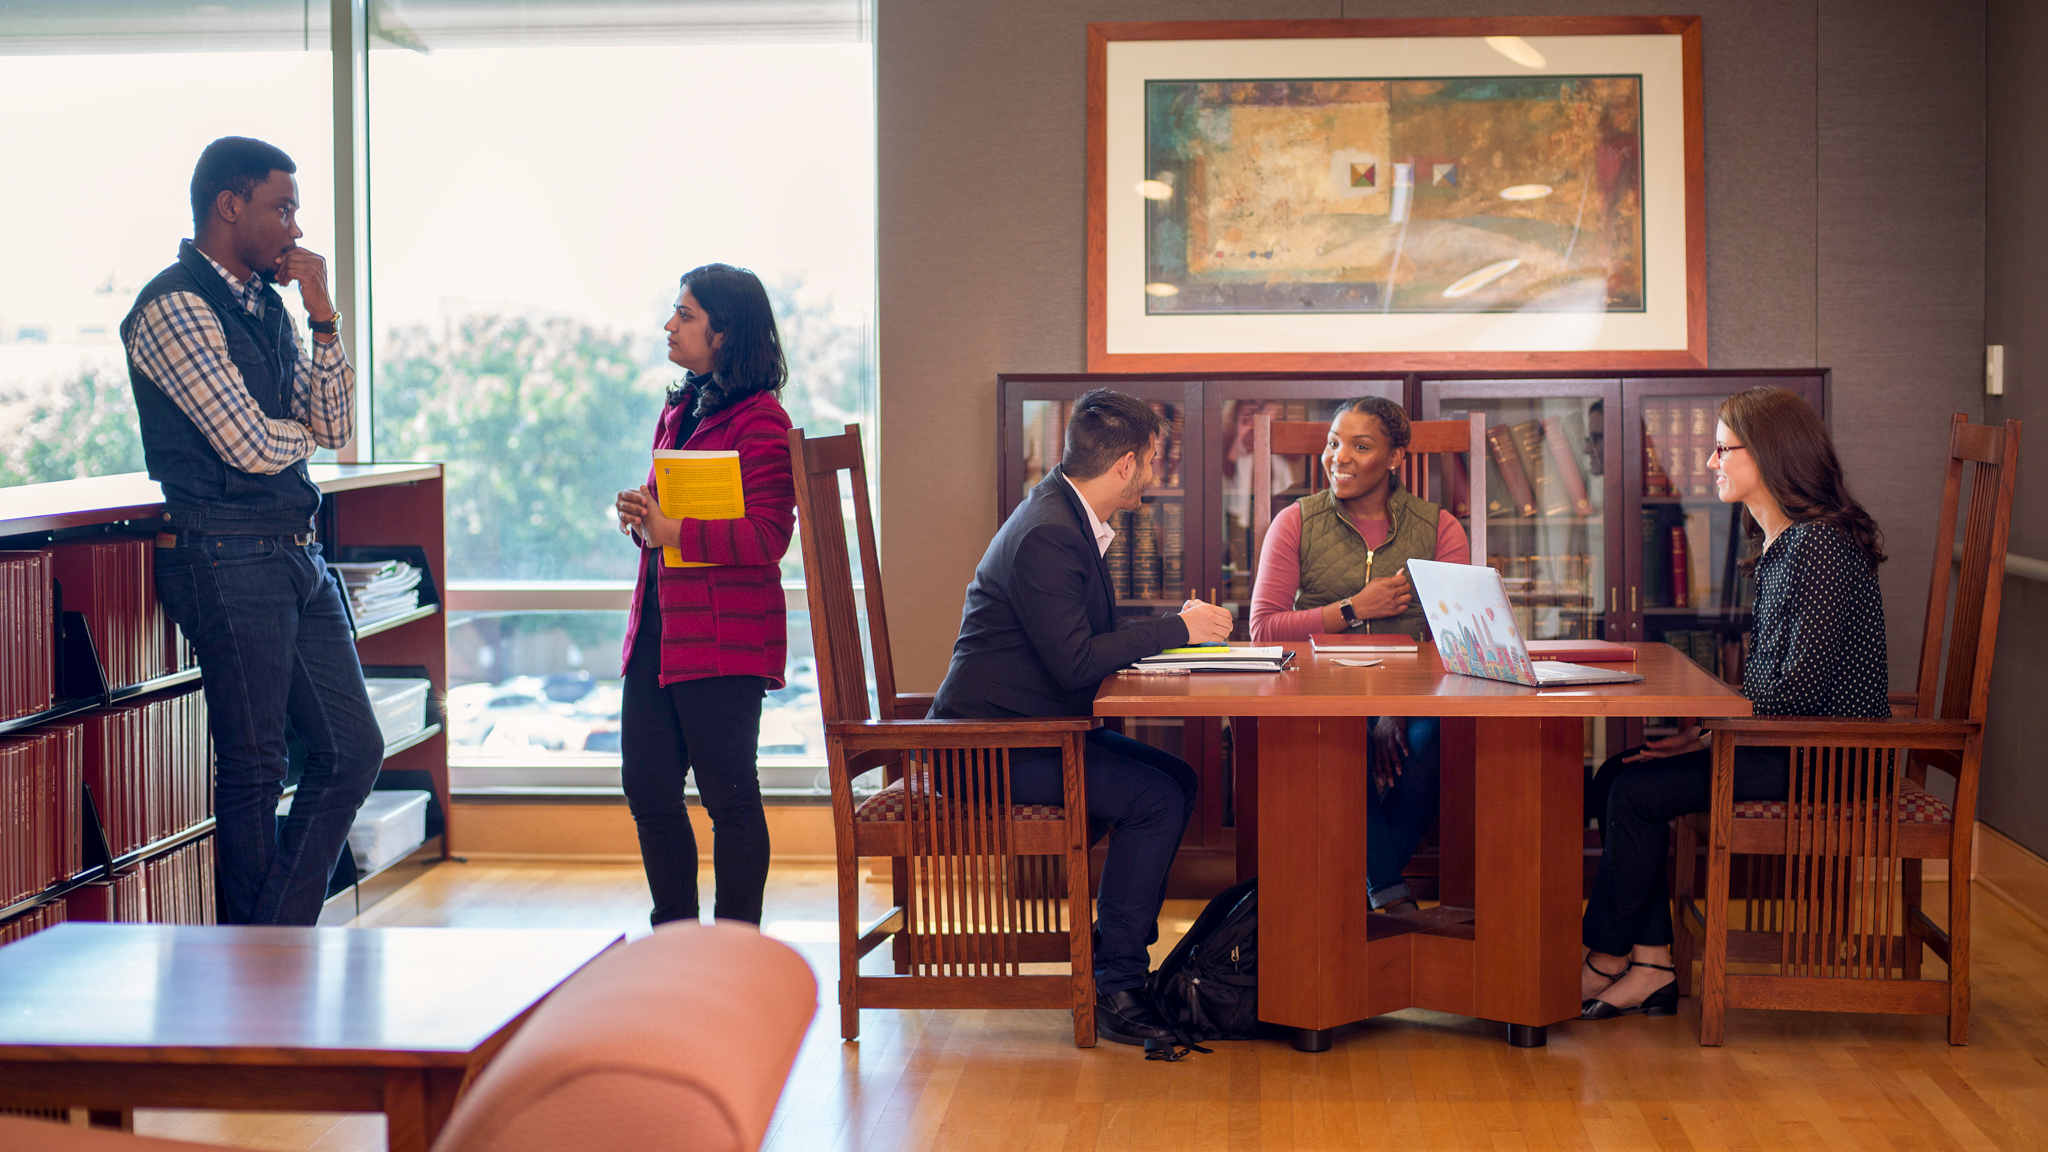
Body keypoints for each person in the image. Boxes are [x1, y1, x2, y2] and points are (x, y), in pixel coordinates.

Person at [124, 136, 380, 925]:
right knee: (254, 766)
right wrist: (293, 429)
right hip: (226, 558)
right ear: (229, 206)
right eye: (283, 206)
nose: (296, 228)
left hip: (296, 556)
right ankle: (261, 967)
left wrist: (326, 320)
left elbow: (331, 424)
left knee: (352, 751)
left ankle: (272, 940)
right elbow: (249, 444)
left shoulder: (269, 305)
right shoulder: (172, 307)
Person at [929, 388, 1234, 1047]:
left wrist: (1170, 635)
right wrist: (1177, 627)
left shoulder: (1062, 515)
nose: (1154, 476)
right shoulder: (1048, 533)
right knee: (1155, 796)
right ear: (1125, 464)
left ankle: (1107, 957)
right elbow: (1074, 663)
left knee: (1175, 782)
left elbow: (1080, 639)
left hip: (1030, 731)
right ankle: (1116, 984)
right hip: (986, 752)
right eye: (1152, 463)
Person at [1579, 386, 1889, 1019]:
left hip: (1828, 759)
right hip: (1785, 741)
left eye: (1723, 449)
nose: (1710, 463)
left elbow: (1799, 690)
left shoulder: (1819, 546)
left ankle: (1605, 960)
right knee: (1618, 775)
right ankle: (1652, 965)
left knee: (1633, 791)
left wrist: (1710, 728)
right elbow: (1782, 689)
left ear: (1771, 456)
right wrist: (1707, 733)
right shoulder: (1787, 544)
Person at [613, 264, 795, 928]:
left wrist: (673, 528)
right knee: (648, 790)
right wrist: (645, 520)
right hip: (659, 629)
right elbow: (665, 521)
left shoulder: (763, 420)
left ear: (725, 333)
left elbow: (770, 536)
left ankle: (737, 948)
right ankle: (677, 941)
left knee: (729, 797)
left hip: (723, 638)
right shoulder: (681, 406)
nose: (671, 325)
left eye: (685, 315)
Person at [1247, 397, 1469, 913]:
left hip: (1413, 700)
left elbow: (1452, 641)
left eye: (1360, 446)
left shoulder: (1439, 528)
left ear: (1395, 458)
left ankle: (1345, 897)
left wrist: (1396, 708)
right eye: (1333, 442)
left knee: (1436, 737)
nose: (1338, 457)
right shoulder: (1295, 523)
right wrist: (1350, 609)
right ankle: (1389, 901)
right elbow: (1263, 630)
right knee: (1338, 737)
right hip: (1320, 697)